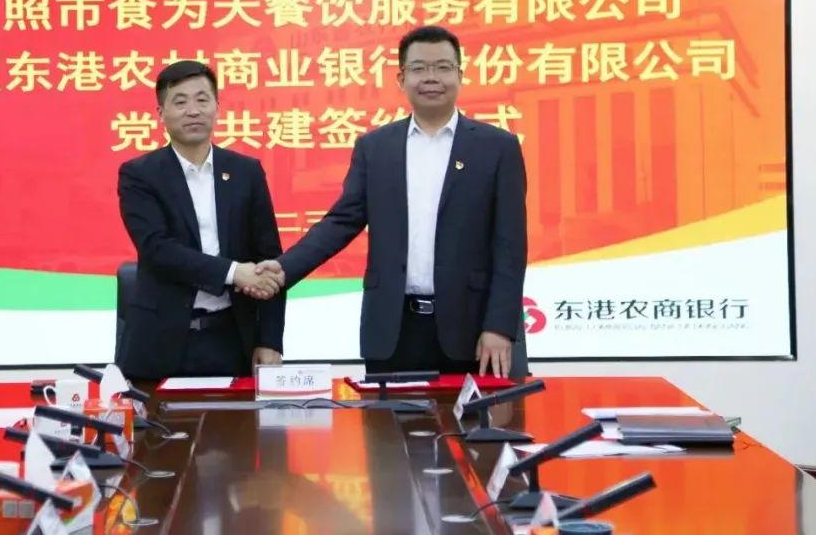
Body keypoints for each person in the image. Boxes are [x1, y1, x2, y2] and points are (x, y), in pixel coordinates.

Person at [252, 25, 527, 377]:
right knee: (390, 416)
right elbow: (342, 222)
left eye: (443, 67)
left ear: (460, 75)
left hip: (472, 331)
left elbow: (510, 246)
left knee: (473, 416)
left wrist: (499, 326)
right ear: (401, 78)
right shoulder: (376, 148)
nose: (431, 77)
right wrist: (284, 268)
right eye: (419, 68)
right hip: (393, 332)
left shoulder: (497, 147)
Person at [116, 60, 285, 380]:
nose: (193, 110)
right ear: (161, 113)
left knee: (238, 417)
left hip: (233, 340)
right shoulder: (140, 174)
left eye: (202, 99)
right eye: (180, 102)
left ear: (217, 108)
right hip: (160, 344)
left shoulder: (246, 172)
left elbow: (269, 259)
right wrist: (234, 273)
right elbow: (157, 249)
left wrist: (270, 340)